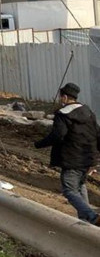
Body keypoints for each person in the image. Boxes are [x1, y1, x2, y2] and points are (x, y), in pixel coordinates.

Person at [34, 83, 100, 225]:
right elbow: (97, 135)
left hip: (72, 159)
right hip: (88, 159)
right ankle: (86, 221)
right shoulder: (89, 113)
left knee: (69, 190)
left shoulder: (63, 114)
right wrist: (95, 159)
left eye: (60, 97)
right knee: (80, 186)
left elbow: (58, 135)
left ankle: (92, 216)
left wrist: (38, 144)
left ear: (64, 97)